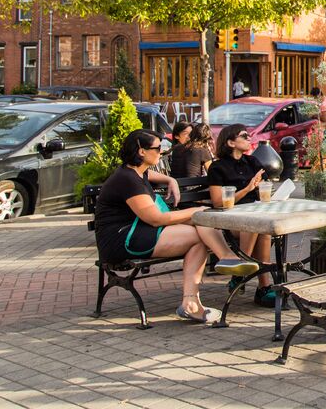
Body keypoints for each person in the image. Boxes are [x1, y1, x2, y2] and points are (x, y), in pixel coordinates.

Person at [93, 129, 258, 323]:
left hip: (138, 231)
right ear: (141, 151)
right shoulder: (128, 180)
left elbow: (151, 176)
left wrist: (170, 179)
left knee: (198, 231)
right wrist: (194, 212)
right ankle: (222, 264)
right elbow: (155, 219)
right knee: (197, 230)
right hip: (121, 239)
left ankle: (197, 296)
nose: (162, 152)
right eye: (158, 148)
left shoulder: (136, 172)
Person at [207, 124, 275, 307]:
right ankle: (260, 285)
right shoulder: (217, 168)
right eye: (244, 136)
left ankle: (245, 277)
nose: (249, 138)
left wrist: (265, 189)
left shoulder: (252, 162)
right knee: (253, 224)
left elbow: (265, 187)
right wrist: (247, 189)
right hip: (229, 219)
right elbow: (218, 203)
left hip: (255, 214)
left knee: (261, 228)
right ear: (230, 142)